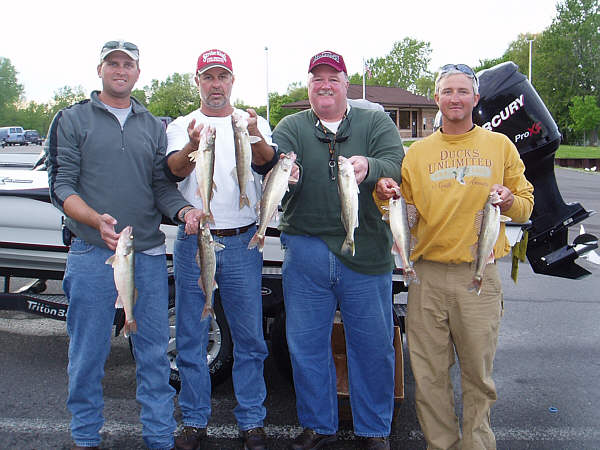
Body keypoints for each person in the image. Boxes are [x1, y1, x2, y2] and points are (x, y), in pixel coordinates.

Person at [46, 40, 198, 450]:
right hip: (91, 253)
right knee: (88, 354)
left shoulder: (152, 125)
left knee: (154, 355)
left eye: (127, 64)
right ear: (100, 69)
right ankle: (85, 437)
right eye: (112, 63)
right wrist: (94, 219)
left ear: (137, 73)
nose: (120, 70)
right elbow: (61, 186)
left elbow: (161, 187)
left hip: (146, 255)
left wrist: (184, 211)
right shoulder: (71, 119)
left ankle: (160, 436)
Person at [376, 64, 534, 449]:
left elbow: (526, 204)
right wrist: (385, 199)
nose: (455, 98)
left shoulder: (500, 146)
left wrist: (509, 201)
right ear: (437, 99)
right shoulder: (417, 154)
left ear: (476, 98)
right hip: (426, 278)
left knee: (478, 377)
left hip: (478, 276)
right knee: (429, 377)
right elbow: (407, 215)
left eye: (463, 91)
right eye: (447, 91)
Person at [271, 50, 404, 450]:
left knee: (373, 346)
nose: (325, 85)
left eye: (333, 78)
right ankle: (318, 425)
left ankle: (374, 429)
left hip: (366, 252)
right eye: (317, 79)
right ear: (309, 85)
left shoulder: (375, 121)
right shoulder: (291, 126)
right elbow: (276, 163)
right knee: (306, 345)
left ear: (346, 84)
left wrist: (371, 167)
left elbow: (395, 162)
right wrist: (287, 173)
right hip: (305, 250)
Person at [163, 49, 276, 450]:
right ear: (197, 82)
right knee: (191, 336)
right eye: (208, 77)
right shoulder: (182, 125)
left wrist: (255, 133)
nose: (216, 84)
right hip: (196, 240)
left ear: (232, 81)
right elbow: (174, 170)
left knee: (250, 339)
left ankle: (252, 421)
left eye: (222, 77)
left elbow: (267, 163)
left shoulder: (251, 121)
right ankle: (195, 420)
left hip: (244, 241)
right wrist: (193, 145)